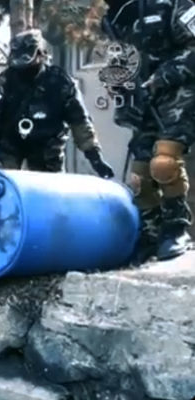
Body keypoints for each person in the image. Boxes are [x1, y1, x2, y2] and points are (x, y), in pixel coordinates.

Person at [101, 0, 195, 261]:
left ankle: (176, 229)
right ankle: (150, 235)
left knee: (164, 163)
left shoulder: (173, 5)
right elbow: (122, 56)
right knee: (139, 179)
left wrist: (161, 77)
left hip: (179, 93)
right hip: (143, 101)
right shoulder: (117, 14)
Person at [0, 29, 114, 179]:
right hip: (9, 143)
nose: (23, 70)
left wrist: (95, 157)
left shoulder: (61, 83)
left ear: (42, 54)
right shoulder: (3, 81)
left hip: (48, 146)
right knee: (4, 183)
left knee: (50, 190)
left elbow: (80, 121)